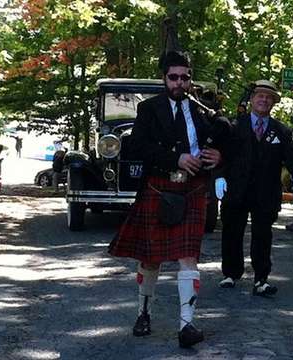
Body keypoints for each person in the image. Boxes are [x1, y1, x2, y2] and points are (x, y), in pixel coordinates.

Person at [108, 51, 229, 348]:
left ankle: (187, 325)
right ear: (164, 78)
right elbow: (136, 147)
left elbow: (226, 137)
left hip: (191, 190)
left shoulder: (202, 110)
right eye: (173, 77)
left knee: (189, 257)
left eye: (185, 77)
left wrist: (219, 158)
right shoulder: (149, 109)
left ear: (190, 78)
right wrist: (176, 158)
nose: (179, 82)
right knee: (150, 260)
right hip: (159, 188)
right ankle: (144, 313)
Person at [215, 80, 293, 295]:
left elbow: (291, 156)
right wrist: (219, 177)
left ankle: (261, 278)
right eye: (260, 96)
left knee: (263, 235)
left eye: (268, 97)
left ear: (273, 102)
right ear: (252, 99)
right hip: (236, 189)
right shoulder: (234, 126)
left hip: (266, 191)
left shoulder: (280, 130)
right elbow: (221, 155)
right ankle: (230, 273)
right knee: (231, 231)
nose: (264, 100)